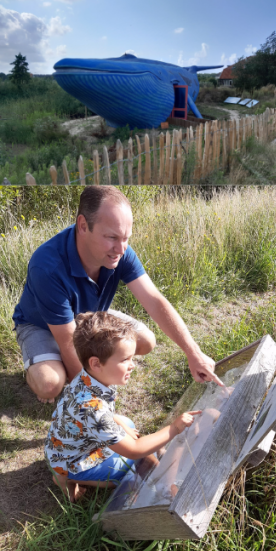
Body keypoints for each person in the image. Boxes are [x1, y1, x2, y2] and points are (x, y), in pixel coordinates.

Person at [12, 185, 223, 403]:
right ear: (83, 225)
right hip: (42, 326)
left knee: (145, 341)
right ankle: (41, 367)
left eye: (126, 238)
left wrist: (194, 353)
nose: (121, 249)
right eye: (112, 237)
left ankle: (68, 366)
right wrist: (98, 405)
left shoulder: (120, 253)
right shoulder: (47, 266)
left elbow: (155, 301)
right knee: (50, 384)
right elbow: (68, 342)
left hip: (89, 317)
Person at [45, 311, 203, 502]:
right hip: (75, 461)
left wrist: (118, 422)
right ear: (95, 363)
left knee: (126, 423)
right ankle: (66, 478)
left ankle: (64, 475)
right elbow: (134, 450)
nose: (132, 365)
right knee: (135, 467)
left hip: (62, 446)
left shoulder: (86, 378)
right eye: (124, 359)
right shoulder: (92, 407)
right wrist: (174, 428)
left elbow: (97, 416)